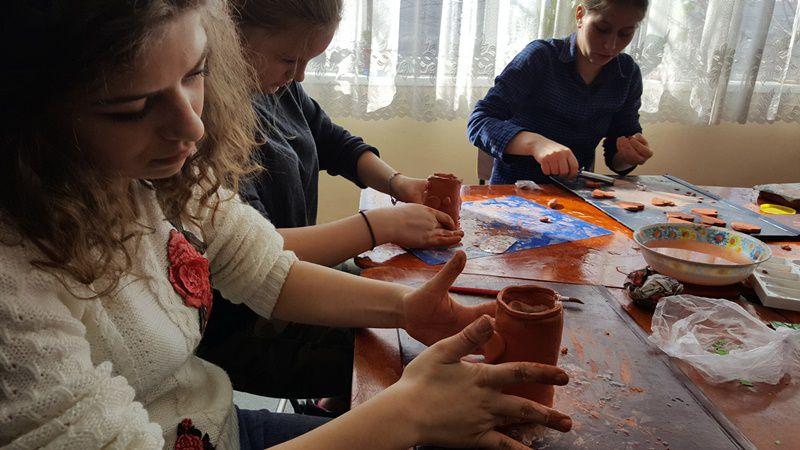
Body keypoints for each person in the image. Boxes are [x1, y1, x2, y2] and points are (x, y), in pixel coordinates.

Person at [0, 1, 573, 449]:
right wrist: (406, 414)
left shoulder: (147, 175)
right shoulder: (14, 295)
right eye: (130, 108)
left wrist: (406, 308)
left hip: (212, 424)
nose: (193, 127)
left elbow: (265, 269)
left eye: (196, 73)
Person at [198, 0, 464, 407]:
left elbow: (331, 140)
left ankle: (338, 403)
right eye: (289, 59)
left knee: (408, 287)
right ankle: (348, 405)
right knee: (407, 353)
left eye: (308, 61)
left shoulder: (276, 86)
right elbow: (257, 254)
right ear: (229, 34)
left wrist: (397, 183)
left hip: (296, 278)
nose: (299, 75)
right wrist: (381, 225)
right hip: (245, 321)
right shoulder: (206, 123)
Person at [468, 0, 653, 185]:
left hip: (578, 194)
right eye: (601, 29)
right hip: (515, 192)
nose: (611, 45)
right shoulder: (540, 57)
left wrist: (628, 157)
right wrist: (536, 144)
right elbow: (480, 121)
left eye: (625, 33)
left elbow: (617, 157)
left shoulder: (627, 74)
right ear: (580, 15)